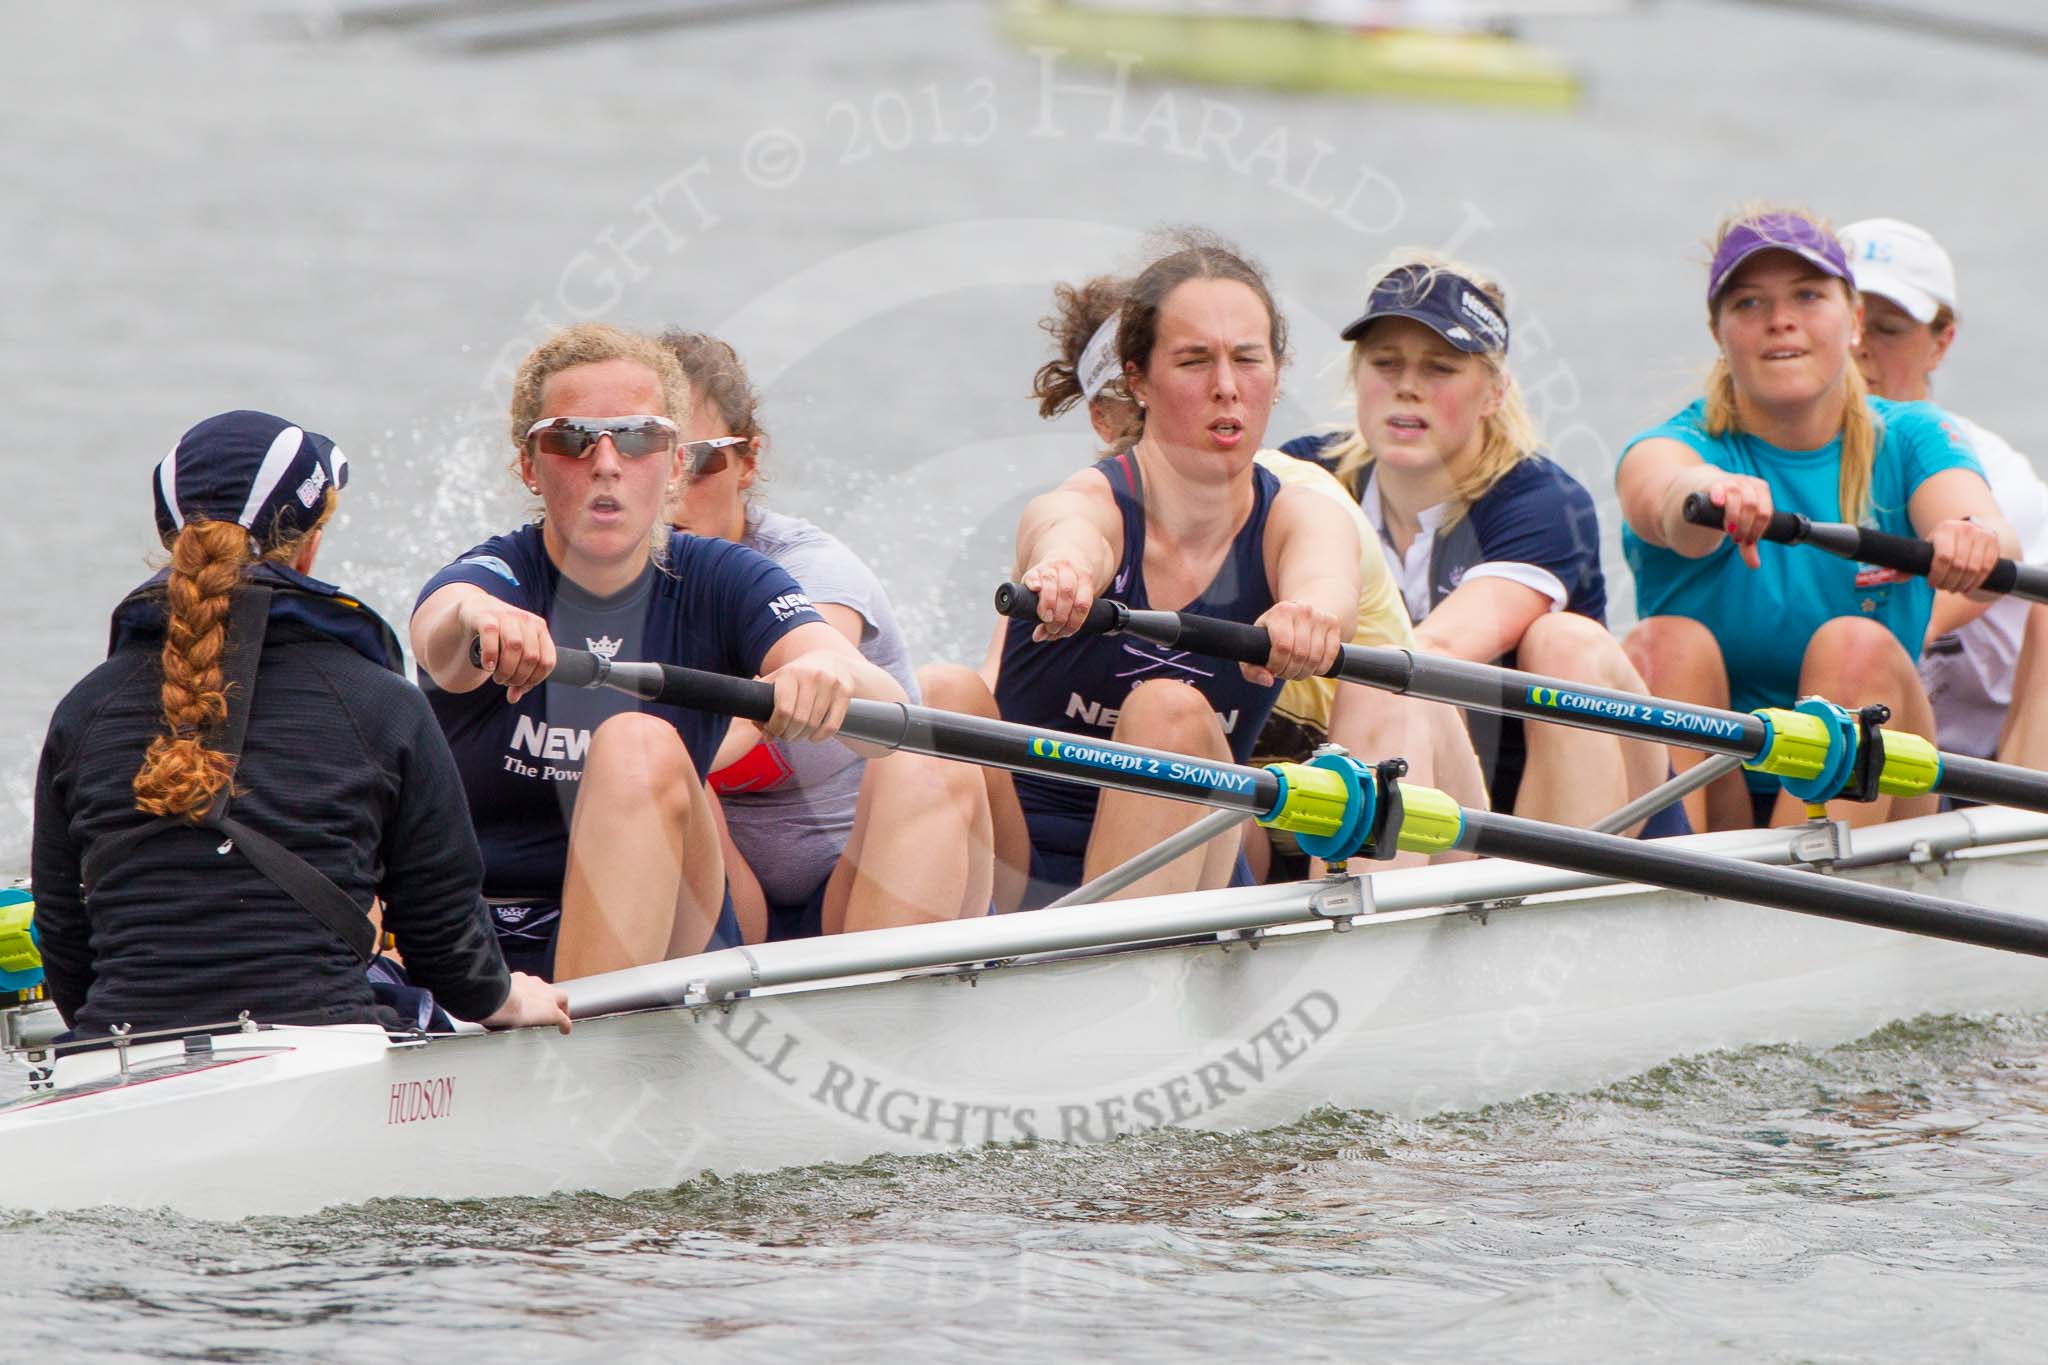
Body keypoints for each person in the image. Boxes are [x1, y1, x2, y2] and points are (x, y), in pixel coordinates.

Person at [936, 271, 1481, 887]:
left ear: (1274, 379)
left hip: (1217, 827)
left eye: (1246, 360)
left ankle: (1117, 966)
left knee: (1167, 709)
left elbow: (1324, 583)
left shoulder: (1301, 510)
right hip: (1018, 853)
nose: (1224, 389)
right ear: (1140, 383)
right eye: (1194, 363)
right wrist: (1064, 570)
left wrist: (1306, 615)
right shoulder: (1086, 503)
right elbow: (1066, 529)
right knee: (940, 691)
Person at [32, 411, 568, 1037]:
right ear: (309, 544)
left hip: (117, 1053)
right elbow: (445, 949)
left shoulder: (83, 710)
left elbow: (65, 938)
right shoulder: (381, 704)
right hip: (324, 1046)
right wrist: (503, 998)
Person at [411, 324, 913, 979]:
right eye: (571, 439)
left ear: (675, 465)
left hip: (673, 927)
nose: (608, 463)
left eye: (640, 437)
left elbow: (888, 714)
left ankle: (581, 1047)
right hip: (479, 936)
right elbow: (437, 632)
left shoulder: (726, 578)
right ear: (529, 467)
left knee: (637, 746)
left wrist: (828, 671)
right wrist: (483, 620)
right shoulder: (494, 578)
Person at [1619, 206, 2016, 832]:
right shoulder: (1675, 445)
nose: (1780, 321)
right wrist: (1709, 491)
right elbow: (1662, 495)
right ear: (1719, 332)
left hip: (1878, 790)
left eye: (1807, 295)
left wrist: (1970, 536)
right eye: (1749, 303)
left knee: (1854, 646)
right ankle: (1662, 884)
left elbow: (1984, 522)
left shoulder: (1911, 436)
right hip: (1712, 789)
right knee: (1663, 644)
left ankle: (1796, 897)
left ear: (1853, 320)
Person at [1280, 251, 1683, 837]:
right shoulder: (1303, 473)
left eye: (1440, 368)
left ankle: (1561, 905)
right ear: (1356, 376)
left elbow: (1438, 648)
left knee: (1554, 642)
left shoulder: (1543, 502)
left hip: (1582, 816)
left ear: (1494, 392)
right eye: (1385, 363)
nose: (1407, 387)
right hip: (1438, 816)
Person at [662, 330, 992, 938]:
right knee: (681, 785)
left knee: (933, 760)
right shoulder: (592, 580)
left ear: (748, 462)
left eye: (700, 460)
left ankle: (885, 1008)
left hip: (864, 887)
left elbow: (819, 649)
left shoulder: (813, 571)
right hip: (733, 905)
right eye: (651, 457)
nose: (673, 489)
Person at [1838, 218, 2048, 769]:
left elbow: (1911, 622)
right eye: (1847, 323)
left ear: (1941, 343)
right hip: (1855, 735)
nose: (1859, 348)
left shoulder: (1996, 476)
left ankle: (2020, 829)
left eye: (1886, 329)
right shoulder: (1765, 459)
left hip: (1987, 769)